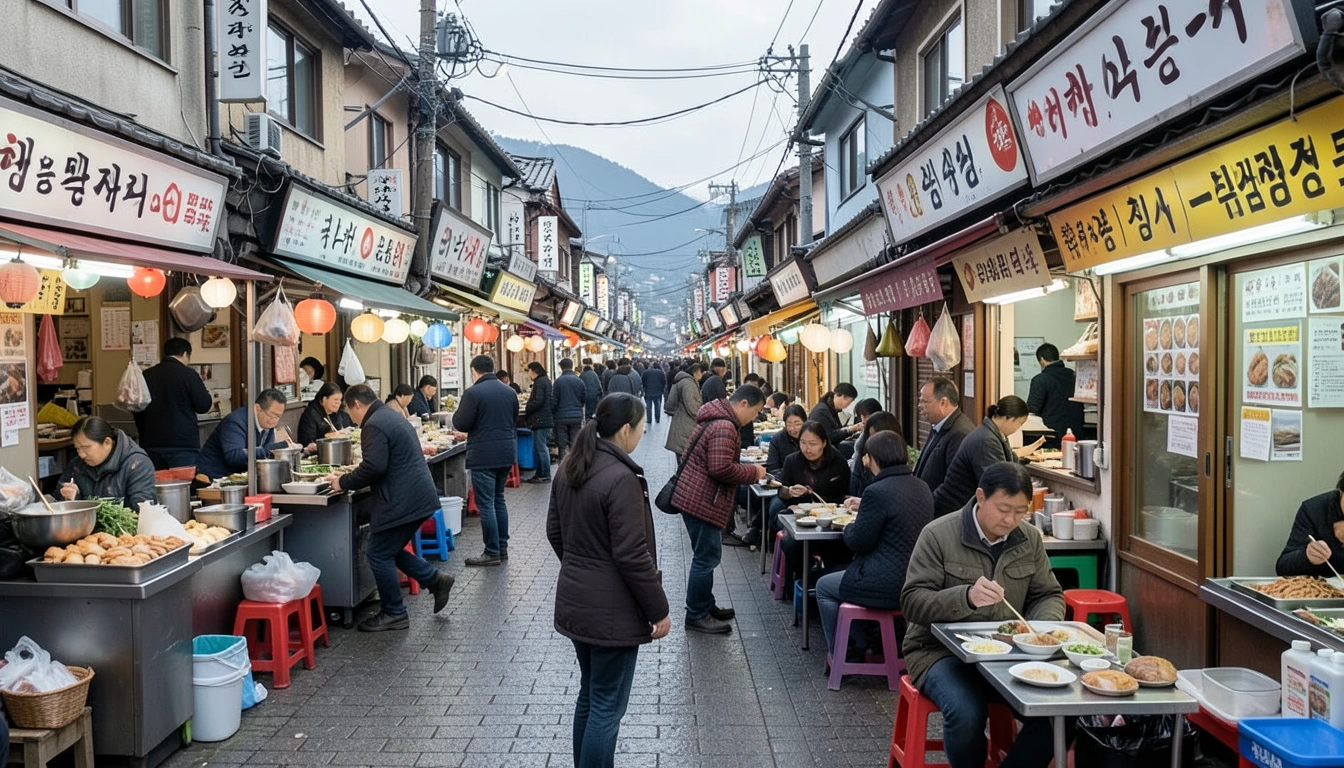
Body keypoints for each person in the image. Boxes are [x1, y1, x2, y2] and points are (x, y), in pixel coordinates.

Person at [901, 462, 1068, 768]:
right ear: (980, 496)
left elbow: (1048, 593)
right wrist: (966, 597)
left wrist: (1039, 630)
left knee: (1061, 712)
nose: (1010, 519)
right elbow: (912, 602)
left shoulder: (1028, 539)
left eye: (1020, 511)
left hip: (1009, 652)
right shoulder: (938, 535)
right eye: (1004, 508)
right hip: (938, 652)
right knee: (966, 713)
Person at [547, 393, 670, 768]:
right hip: (612, 610)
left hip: (578, 600)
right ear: (626, 429)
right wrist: (658, 608)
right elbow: (632, 554)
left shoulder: (571, 465)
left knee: (591, 695)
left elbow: (555, 531)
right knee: (606, 705)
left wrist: (581, 569)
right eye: (641, 427)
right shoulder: (621, 478)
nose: (643, 433)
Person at [327, 384, 454, 631]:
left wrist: (343, 481)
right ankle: (434, 579)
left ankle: (394, 611)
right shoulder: (388, 415)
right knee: (388, 549)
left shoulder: (374, 424)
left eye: (349, 410)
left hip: (402, 498)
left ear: (357, 405)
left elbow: (374, 466)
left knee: (378, 553)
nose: (351, 418)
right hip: (415, 495)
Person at [816, 431, 933, 656]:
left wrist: (848, 527)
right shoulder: (921, 487)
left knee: (823, 587)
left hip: (886, 584)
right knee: (841, 575)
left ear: (872, 458)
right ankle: (860, 641)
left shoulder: (876, 491)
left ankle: (843, 651)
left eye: (866, 454)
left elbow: (859, 542)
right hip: (917, 579)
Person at [670, 385, 767, 634]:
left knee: (706, 556)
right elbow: (720, 468)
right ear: (743, 404)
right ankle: (697, 614)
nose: (753, 418)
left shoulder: (716, 418)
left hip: (696, 496)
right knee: (706, 558)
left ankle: (705, 604)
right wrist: (753, 473)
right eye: (755, 412)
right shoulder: (724, 425)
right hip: (702, 499)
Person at [453, 356, 519, 566]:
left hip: (483, 454)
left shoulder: (473, 393)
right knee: (499, 499)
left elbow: (461, 423)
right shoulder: (509, 392)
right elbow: (513, 418)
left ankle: (491, 552)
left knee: (487, 504)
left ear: (474, 371)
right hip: (506, 451)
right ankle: (502, 547)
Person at [773, 421, 852, 595]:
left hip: (831, 520)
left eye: (813, 444)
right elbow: (781, 489)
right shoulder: (792, 461)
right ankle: (804, 578)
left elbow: (845, 494)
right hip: (799, 518)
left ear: (824, 442)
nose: (807, 449)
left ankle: (829, 585)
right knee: (790, 542)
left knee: (842, 546)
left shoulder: (837, 461)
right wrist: (789, 492)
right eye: (803, 443)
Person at [932, 395, 1044, 516]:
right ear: (1009, 418)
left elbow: (1011, 459)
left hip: (961, 506)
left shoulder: (995, 434)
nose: (1018, 428)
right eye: (1020, 423)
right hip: (954, 509)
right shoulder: (986, 439)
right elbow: (996, 481)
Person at [134, 337, 213, 470]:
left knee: (157, 486)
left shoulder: (146, 375)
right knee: (183, 486)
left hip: (151, 443)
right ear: (185, 354)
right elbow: (203, 405)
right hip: (182, 444)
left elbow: (137, 407)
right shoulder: (188, 375)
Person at [197, 389, 296, 481]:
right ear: (257, 408)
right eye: (272, 415)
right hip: (214, 477)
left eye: (278, 416)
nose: (275, 420)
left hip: (240, 476)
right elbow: (234, 456)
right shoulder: (235, 422)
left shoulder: (267, 422)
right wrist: (273, 449)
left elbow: (267, 454)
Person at [58, 416, 155, 508]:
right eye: (77, 449)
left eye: (85, 447)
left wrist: (84, 508)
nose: (81, 455)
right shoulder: (77, 465)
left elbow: (141, 511)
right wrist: (69, 500)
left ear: (107, 442)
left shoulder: (137, 464)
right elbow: (56, 504)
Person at [1276, 470, 1344, 577]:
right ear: (1341, 491)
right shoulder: (1314, 509)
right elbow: (1283, 568)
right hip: (1322, 589)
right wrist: (1307, 557)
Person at [914, 378, 976, 495]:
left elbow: (955, 485)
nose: (920, 406)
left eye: (925, 401)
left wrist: (927, 505)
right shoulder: (939, 425)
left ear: (943, 402)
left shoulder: (959, 433)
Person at [1027, 343, 1086, 448]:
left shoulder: (1040, 379)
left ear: (1041, 359)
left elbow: (1032, 409)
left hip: (1051, 436)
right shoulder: (1073, 376)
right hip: (1075, 433)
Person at [849, 412, 902, 499]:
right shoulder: (864, 453)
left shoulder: (897, 456)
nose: (875, 440)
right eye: (872, 435)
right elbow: (855, 489)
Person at [809, 384, 862, 457]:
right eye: (849, 402)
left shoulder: (830, 408)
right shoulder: (822, 411)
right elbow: (831, 436)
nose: (848, 405)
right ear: (842, 397)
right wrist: (851, 429)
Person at [664, 362, 704, 458]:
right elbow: (692, 408)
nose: (702, 376)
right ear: (697, 371)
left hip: (682, 424)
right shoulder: (688, 384)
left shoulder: (684, 381)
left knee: (682, 458)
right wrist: (702, 413)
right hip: (685, 426)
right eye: (701, 373)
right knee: (684, 460)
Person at [297, 381, 353, 448]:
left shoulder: (341, 414)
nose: (338, 403)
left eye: (340, 400)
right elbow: (307, 442)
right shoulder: (310, 415)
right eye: (335, 399)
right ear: (324, 399)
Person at [525, 362, 555, 484]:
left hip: (541, 419)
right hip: (544, 418)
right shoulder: (544, 381)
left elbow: (539, 400)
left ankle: (545, 474)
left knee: (541, 447)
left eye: (529, 371)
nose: (528, 374)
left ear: (534, 371)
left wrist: (528, 407)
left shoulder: (540, 382)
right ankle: (541, 473)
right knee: (540, 447)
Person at [552, 358, 586, 463]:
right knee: (574, 442)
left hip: (561, 417)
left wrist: (554, 412)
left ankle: (562, 464)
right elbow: (583, 399)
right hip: (576, 416)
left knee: (561, 444)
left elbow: (554, 400)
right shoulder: (579, 381)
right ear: (572, 366)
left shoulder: (558, 382)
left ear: (561, 367)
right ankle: (574, 463)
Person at [766, 404, 808, 475]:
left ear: (805, 422)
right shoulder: (777, 439)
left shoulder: (811, 437)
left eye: (797, 424)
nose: (792, 428)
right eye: (789, 424)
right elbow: (772, 469)